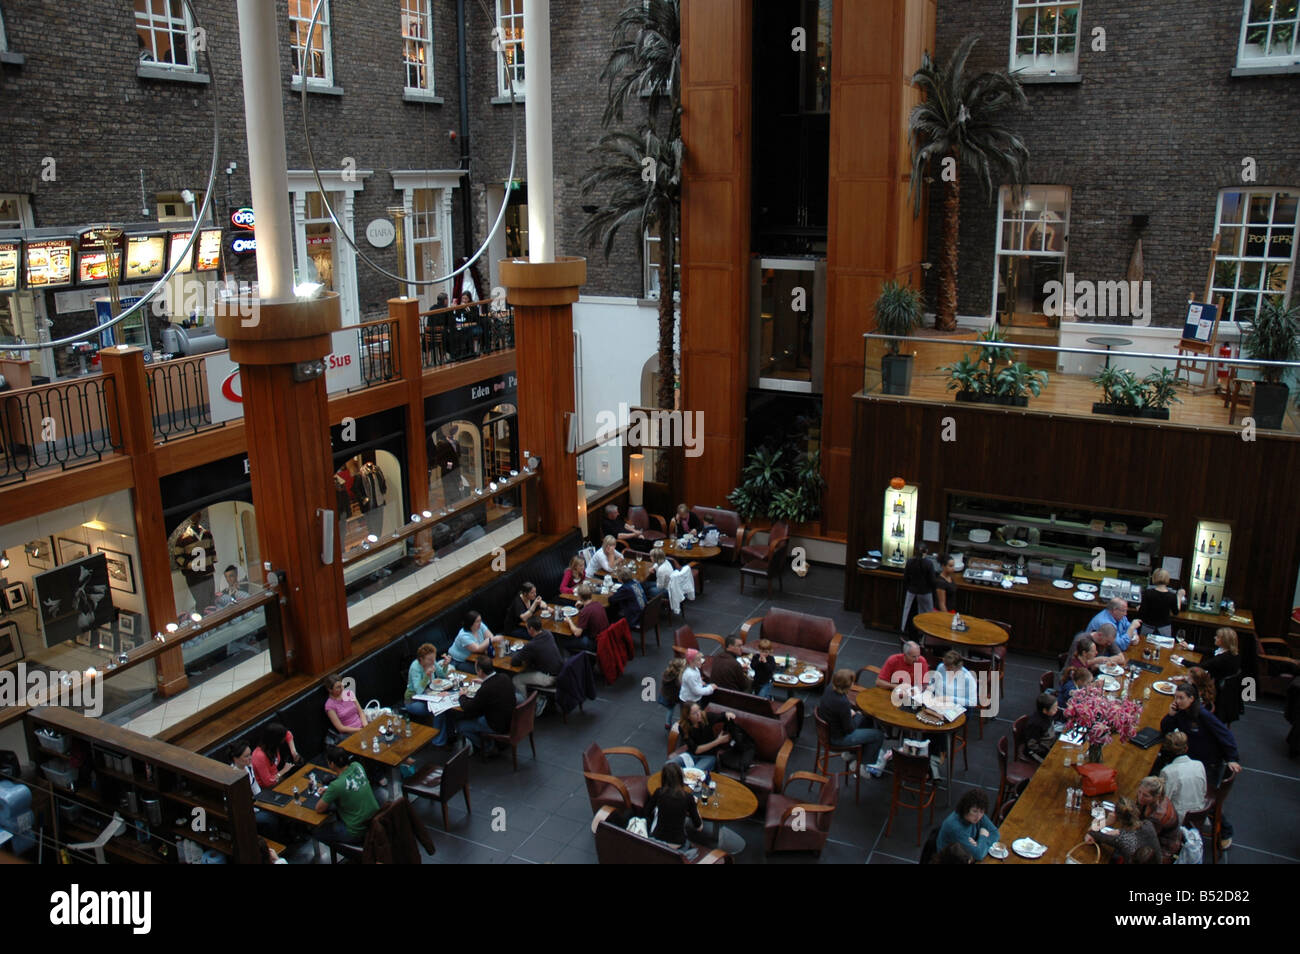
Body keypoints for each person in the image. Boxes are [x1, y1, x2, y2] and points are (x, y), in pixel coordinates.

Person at [1159, 684, 1241, 849]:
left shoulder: (1202, 715)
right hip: (1193, 761)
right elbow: (1166, 729)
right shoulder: (1181, 713)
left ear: (1192, 699)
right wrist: (1171, 715)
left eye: (1181, 698)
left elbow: (1226, 735)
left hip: (1209, 764)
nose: (1177, 701)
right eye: (1176, 697)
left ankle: (1226, 831)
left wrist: (1232, 758)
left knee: (1202, 796)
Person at [818, 669, 886, 777]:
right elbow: (850, 729)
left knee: (865, 719)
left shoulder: (829, 688)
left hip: (828, 731)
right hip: (837, 738)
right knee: (878, 735)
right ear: (849, 685)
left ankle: (851, 753)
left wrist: (852, 714)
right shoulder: (842, 703)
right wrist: (856, 715)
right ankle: (861, 766)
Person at [315, 746, 380, 846]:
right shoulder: (357, 766)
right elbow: (349, 782)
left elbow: (319, 808)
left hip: (357, 832)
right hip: (375, 821)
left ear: (332, 764)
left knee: (317, 832)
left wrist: (330, 791)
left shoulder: (336, 786)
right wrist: (330, 791)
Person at [456, 655, 516, 755]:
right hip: (510, 720)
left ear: (480, 671)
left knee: (461, 726)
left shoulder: (486, 689)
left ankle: (488, 747)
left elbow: (469, 708)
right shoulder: (504, 677)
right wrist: (484, 682)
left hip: (496, 725)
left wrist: (462, 696)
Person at [640, 761, 703, 849]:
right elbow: (699, 827)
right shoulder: (688, 798)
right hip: (677, 844)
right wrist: (695, 809)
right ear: (681, 778)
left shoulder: (659, 793)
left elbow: (646, 812)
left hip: (656, 840)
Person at [1086, 795, 1160, 864]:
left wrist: (1107, 821)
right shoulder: (1148, 824)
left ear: (1117, 818)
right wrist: (1120, 832)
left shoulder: (1121, 839)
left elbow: (1091, 831)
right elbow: (1136, 835)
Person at [511, 616, 563, 709]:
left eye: (527, 628)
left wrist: (520, 651)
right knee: (526, 670)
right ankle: (536, 697)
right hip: (560, 672)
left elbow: (514, 662)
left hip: (549, 678)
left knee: (517, 679)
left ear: (531, 629)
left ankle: (525, 707)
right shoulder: (548, 633)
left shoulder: (531, 645)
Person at [936, 789, 1000, 861]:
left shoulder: (978, 815)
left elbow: (995, 833)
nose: (978, 817)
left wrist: (979, 844)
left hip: (966, 857)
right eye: (974, 811)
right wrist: (983, 837)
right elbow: (979, 855)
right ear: (966, 808)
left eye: (982, 812)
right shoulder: (955, 827)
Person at [230, 740, 278, 835]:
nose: (250, 758)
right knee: (270, 818)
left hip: (255, 804)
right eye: (246, 756)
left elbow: (255, 786)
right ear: (235, 759)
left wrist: (263, 801)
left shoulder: (248, 767)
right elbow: (240, 802)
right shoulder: (233, 776)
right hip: (245, 812)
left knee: (277, 806)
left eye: (250, 754)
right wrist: (258, 808)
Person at [1159, 730, 1207, 823]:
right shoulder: (1199, 764)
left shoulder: (1167, 772)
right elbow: (1204, 790)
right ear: (1186, 748)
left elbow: (1163, 803)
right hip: (1199, 813)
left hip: (1179, 819)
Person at [674, 702, 734, 773]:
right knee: (670, 764)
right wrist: (718, 741)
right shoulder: (683, 727)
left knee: (694, 773)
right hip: (691, 755)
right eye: (694, 713)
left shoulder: (706, 717)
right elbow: (696, 750)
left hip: (709, 756)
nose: (699, 714)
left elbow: (722, 716)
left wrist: (728, 714)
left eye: (699, 710)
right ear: (688, 716)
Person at [1135, 776, 1182, 862]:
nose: (1140, 797)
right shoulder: (1157, 800)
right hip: (1154, 835)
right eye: (1139, 792)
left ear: (1157, 797)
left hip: (1162, 846)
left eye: (1145, 795)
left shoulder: (1158, 816)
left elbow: (1144, 837)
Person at [405, 642, 450, 718]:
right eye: (429, 660)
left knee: (445, 705)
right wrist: (427, 676)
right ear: (421, 659)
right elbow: (418, 690)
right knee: (437, 709)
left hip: (428, 695)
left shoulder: (432, 662)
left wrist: (445, 665)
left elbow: (442, 676)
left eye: (434, 658)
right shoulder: (415, 668)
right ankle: (439, 730)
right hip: (413, 700)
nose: (433, 662)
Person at [250, 723, 302, 789]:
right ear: (276, 740)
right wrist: (284, 770)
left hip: (278, 778)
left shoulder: (271, 747)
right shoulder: (259, 756)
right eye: (282, 738)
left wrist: (294, 753)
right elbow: (268, 782)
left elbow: (288, 734)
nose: (284, 740)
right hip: (268, 788)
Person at [1139, 569, 1184, 637]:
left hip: (1148, 628)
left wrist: (1139, 608)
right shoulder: (1172, 596)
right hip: (1164, 629)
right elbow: (1176, 612)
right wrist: (1179, 597)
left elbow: (1142, 612)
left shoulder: (1147, 593)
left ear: (1154, 578)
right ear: (1167, 579)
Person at [901, 547, 937, 631]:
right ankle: (924, 635)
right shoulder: (929, 563)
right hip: (925, 593)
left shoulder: (910, 561)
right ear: (926, 551)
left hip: (911, 592)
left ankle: (906, 633)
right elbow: (932, 581)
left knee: (909, 614)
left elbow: (905, 578)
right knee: (927, 617)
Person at [565, 583, 608, 653]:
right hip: (604, 638)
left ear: (579, 597)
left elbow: (577, 633)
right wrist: (581, 607)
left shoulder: (585, 611)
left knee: (566, 643)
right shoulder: (598, 604)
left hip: (595, 642)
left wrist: (569, 621)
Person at [1022, 691, 1060, 763]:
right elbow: (1032, 745)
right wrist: (1049, 751)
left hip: (1048, 744)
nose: (1057, 709)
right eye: (1054, 708)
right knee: (1054, 763)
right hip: (1035, 752)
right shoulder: (1036, 724)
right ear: (1045, 710)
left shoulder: (1049, 714)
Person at [607, 564, 647, 630]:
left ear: (620, 578)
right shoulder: (636, 582)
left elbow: (611, 599)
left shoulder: (626, 589)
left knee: (612, 611)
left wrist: (611, 594)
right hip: (644, 613)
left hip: (635, 619)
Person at [659, 657, 686, 729]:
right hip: (673, 696)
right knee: (683, 706)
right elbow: (681, 685)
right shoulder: (677, 678)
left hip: (666, 695)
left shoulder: (667, 673)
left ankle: (667, 723)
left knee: (670, 709)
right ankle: (682, 721)